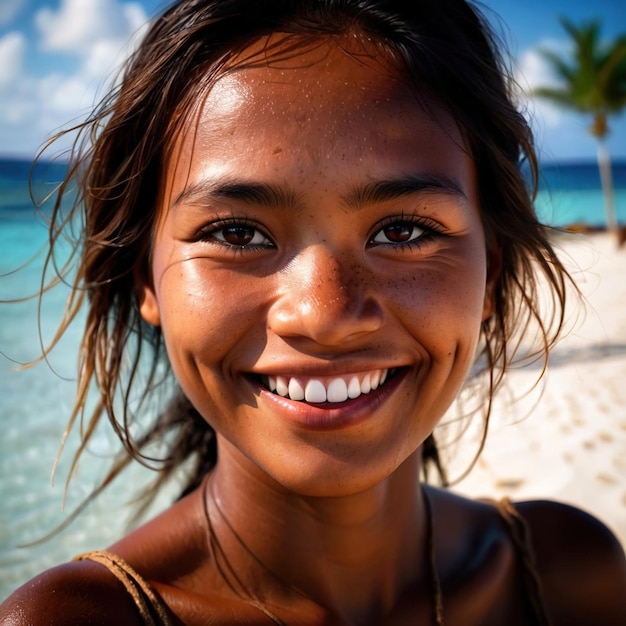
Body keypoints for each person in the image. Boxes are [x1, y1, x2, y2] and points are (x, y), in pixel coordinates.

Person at [1, 0, 625, 623]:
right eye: (239, 233)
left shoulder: (566, 573)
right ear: (147, 280)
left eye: (403, 231)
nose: (324, 315)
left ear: (489, 271)